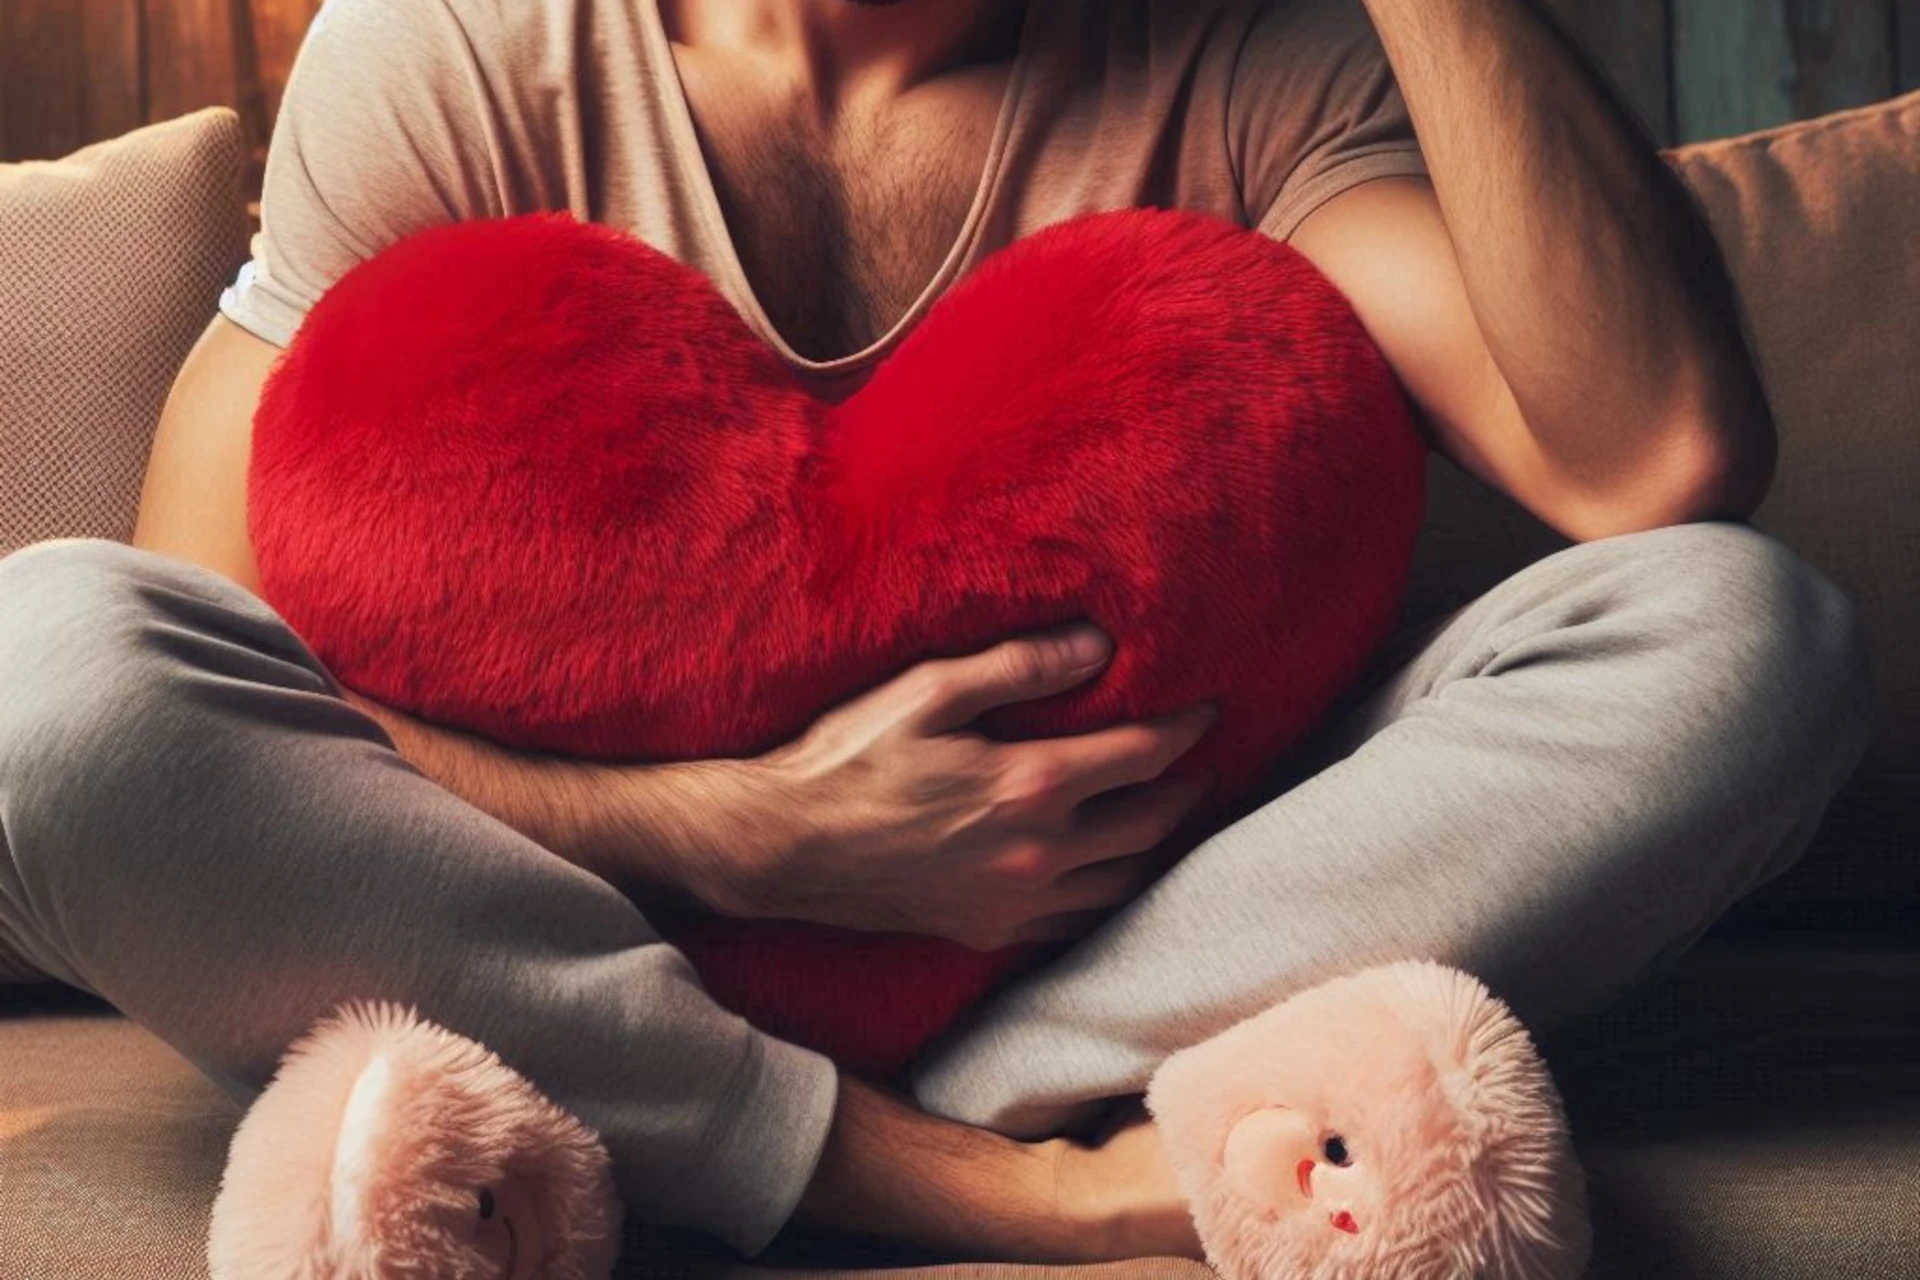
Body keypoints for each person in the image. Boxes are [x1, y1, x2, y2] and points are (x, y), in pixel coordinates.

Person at [0, 0, 1874, 1264]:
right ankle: (928, 1174)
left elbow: (1659, 458)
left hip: (1092, 937)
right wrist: (732, 828)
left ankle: (724, 1117)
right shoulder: (459, 43)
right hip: (575, 915)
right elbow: (217, 652)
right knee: (47, 666)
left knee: (1739, 633)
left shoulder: (1243, 51)